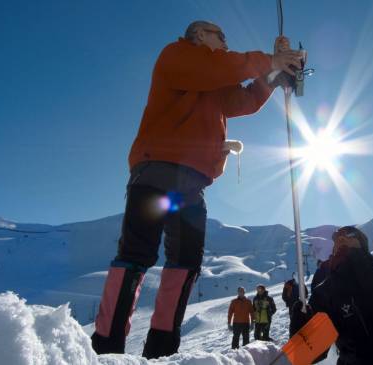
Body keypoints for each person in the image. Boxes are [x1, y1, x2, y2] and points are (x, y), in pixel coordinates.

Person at [90, 20, 303, 357]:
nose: (226, 41)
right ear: (200, 35)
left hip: (191, 181)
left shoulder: (214, 78)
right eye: (221, 35)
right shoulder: (178, 55)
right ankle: (105, 350)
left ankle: (161, 351)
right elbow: (221, 68)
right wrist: (271, 60)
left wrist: (276, 74)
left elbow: (244, 99)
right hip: (157, 169)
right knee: (135, 256)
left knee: (185, 262)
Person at [294, 226, 373, 365]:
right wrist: (300, 324)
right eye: (336, 238)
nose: (340, 238)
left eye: (348, 234)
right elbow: (307, 354)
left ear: (362, 242)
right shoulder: (325, 292)